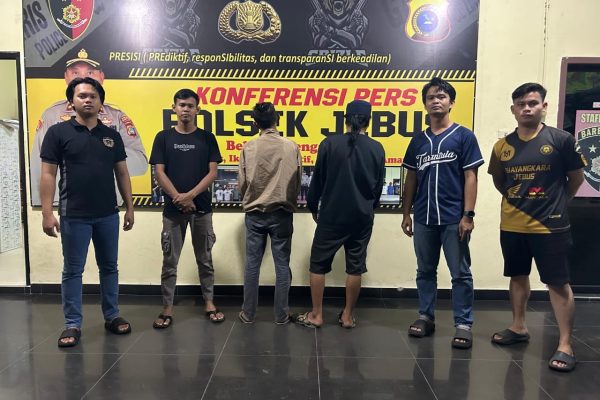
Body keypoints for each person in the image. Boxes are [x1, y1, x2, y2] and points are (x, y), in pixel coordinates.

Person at [488, 83, 586, 372]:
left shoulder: (561, 140)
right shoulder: (502, 146)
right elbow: (499, 181)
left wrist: (561, 202)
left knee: (557, 282)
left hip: (550, 227)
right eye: (521, 104)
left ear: (544, 107)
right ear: (513, 109)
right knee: (517, 276)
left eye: (532, 103)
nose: (527, 108)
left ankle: (565, 344)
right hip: (513, 224)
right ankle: (518, 327)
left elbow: (576, 178)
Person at [40, 77, 134, 348]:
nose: (88, 100)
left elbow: (122, 173)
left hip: (108, 214)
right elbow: (48, 174)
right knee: (73, 270)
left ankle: (112, 315)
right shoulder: (57, 133)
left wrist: (129, 208)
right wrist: (47, 213)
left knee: (109, 267)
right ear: (72, 102)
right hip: (73, 215)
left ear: (101, 102)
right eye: (82, 96)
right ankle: (72, 323)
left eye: (93, 96)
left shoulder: (112, 135)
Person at [401, 77, 484, 349]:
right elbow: (411, 178)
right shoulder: (418, 141)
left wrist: (468, 215)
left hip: (453, 218)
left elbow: (471, 177)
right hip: (424, 217)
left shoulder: (463, 136)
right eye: (431, 97)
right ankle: (426, 316)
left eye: (441, 96)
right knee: (425, 270)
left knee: (460, 273)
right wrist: (406, 213)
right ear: (424, 104)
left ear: (451, 102)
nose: (436, 101)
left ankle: (463, 323)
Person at [292, 100, 385, 329]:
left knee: (318, 264)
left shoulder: (329, 144)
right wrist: (368, 209)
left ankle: (316, 315)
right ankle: (348, 317)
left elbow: (317, 181)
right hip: (362, 217)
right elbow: (378, 187)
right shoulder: (377, 148)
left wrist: (313, 207)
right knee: (355, 267)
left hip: (332, 215)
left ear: (345, 120)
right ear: (369, 122)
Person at [31, 48, 147, 206]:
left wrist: (103, 153)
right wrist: (43, 207)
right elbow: (38, 166)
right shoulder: (51, 115)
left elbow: (141, 162)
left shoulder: (117, 117)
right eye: (75, 72)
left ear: (102, 77)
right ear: (66, 77)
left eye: (90, 72)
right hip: (66, 203)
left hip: (107, 202)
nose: (83, 78)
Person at [149, 89, 225, 328]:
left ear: (197, 110)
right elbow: (159, 172)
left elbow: (212, 173)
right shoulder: (163, 137)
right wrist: (178, 198)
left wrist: (190, 196)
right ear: (174, 108)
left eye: (190, 106)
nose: (185, 109)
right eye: (181, 105)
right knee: (169, 262)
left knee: (205, 259)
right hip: (173, 212)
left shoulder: (207, 138)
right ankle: (167, 308)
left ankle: (209, 303)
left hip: (201, 209)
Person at [237, 102, 302, 324]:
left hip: (255, 213)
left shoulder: (249, 147)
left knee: (252, 264)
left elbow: (242, 183)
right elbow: (297, 182)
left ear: (255, 123)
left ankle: (248, 314)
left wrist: (253, 199)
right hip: (282, 212)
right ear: (278, 119)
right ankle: (281, 315)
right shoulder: (291, 147)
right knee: (282, 265)